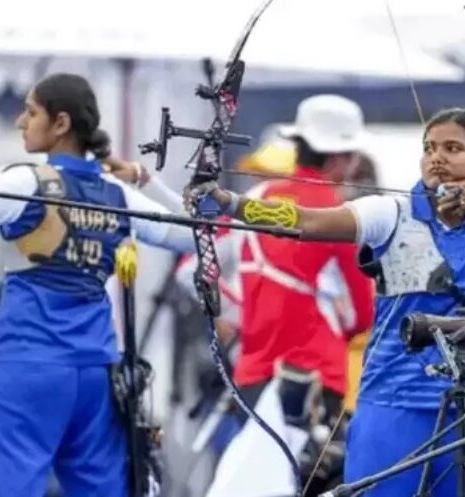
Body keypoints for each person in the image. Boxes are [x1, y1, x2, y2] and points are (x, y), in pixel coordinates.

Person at [187, 106, 465, 496]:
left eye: (452, 149)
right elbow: (305, 222)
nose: (437, 159)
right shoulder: (389, 213)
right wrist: (233, 205)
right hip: (394, 402)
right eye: (429, 148)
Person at [0, 73, 196, 497]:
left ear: (61, 123)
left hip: (26, 368)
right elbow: (194, 234)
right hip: (96, 376)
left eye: (31, 112)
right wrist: (144, 178)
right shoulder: (116, 194)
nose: (20, 122)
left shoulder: (26, 182)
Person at [176, 94, 376, 493]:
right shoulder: (341, 215)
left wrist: (233, 316)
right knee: (313, 482)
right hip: (318, 376)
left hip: (253, 372)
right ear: (339, 158)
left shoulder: (260, 196)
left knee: (257, 480)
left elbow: (192, 270)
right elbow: (361, 316)